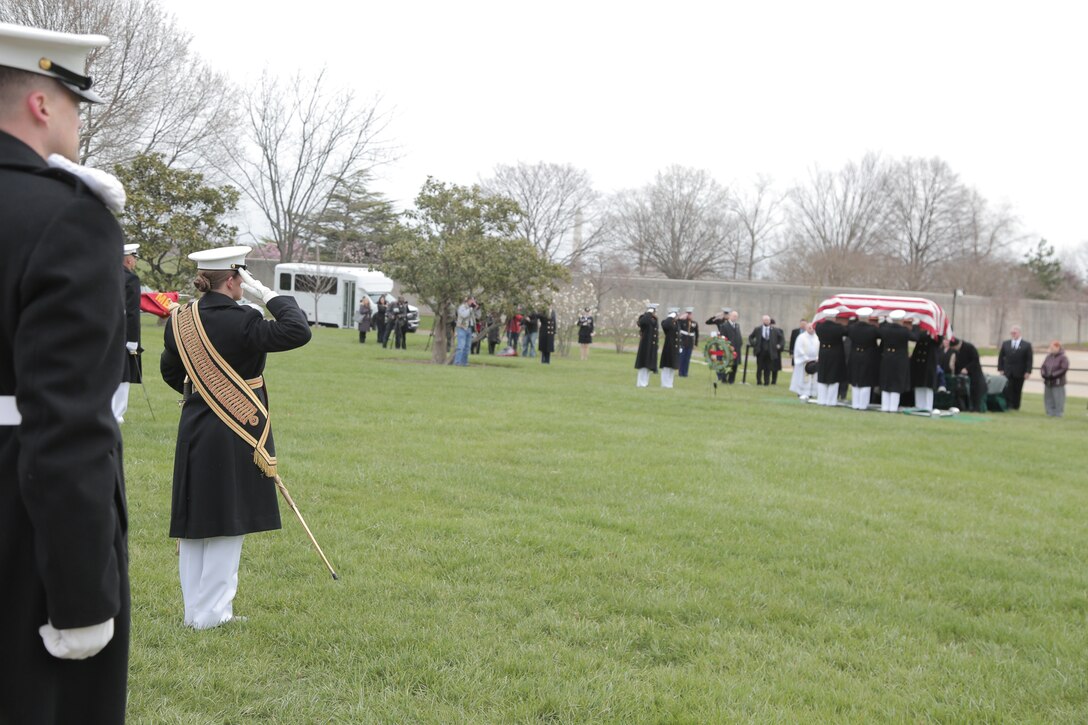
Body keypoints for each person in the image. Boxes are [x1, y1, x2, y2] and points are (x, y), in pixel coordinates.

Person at [0, 23, 130, 724]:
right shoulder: (67, 219)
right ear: (43, 104)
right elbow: (67, 428)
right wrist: (81, 600)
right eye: (76, 99)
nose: (79, 118)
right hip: (17, 530)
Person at [160, 246, 311, 630]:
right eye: (242, 278)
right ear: (232, 279)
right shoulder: (244, 319)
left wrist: (205, 393)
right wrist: (271, 296)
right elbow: (297, 330)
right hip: (235, 428)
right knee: (228, 520)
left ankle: (194, 610)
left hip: (194, 427)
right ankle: (212, 615)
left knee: (194, 521)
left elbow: (170, 371)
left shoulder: (180, 320)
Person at [113, 241, 143, 422]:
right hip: (123, 334)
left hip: (105, 332)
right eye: (134, 258)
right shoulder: (130, 279)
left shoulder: (105, 275)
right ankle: (117, 413)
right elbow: (133, 313)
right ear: (129, 260)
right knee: (123, 373)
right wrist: (133, 340)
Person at [878, 310, 918, 412]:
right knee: (896, 382)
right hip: (900, 359)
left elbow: (879, 331)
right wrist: (916, 325)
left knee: (886, 380)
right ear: (902, 320)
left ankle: (885, 406)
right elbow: (915, 337)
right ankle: (893, 408)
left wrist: (883, 321)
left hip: (887, 358)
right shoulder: (904, 331)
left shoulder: (885, 329)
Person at [845, 308, 881, 410]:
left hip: (855, 355)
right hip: (868, 356)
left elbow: (846, 330)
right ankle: (863, 405)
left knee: (855, 380)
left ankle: (855, 404)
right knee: (866, 381)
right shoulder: (873, 329)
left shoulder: (852, 328)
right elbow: (882, 334)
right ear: (869, 318)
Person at [814, 311, 849, 406]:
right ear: (834, 318)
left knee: (822, 376)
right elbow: (848, 331)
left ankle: (821, 399)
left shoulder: (819, 326)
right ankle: (831, 401)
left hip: (823, 353)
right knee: (833, 377)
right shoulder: (838, 328)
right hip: (835, 355)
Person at [997, 325, 1033, 411]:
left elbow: (1029, 359)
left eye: (1015, 332)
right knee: (1007, 389)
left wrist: (1028, 371)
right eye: (1012, 333)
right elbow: (1001, 357)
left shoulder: (1026, 345)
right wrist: (1000, 369)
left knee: (1017, 389)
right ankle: (1008, 405)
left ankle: (1016, 406)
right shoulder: (1006, 343)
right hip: (1007, 371)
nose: (1013, 334)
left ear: (1019, 333)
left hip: (1020, 371)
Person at [949, 336, 986, 413]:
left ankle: (976, 408)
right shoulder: (956, 350)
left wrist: (967, 368)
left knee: (975, 390)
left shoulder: (969, 347)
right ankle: (963, 407)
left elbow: (975, 360)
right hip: (962, 374)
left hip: (974, 373)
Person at [909, 325, 941, 412]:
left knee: (928, 385)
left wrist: (931, 332)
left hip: (929, 360)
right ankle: (919, 405)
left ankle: (927, 407)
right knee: (918, 384)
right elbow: (915, 337)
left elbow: (938, 341)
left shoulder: (936, 329)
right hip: (918, 360)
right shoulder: (918, 328)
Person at [749, 314, 785, 385]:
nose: (766, 321)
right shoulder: (758, 329)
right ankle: (759, 381)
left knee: (768, 368)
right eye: (765, 320)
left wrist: (779, 345)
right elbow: (751, 337)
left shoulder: (775, 330)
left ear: (769, 321)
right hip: (760, 351)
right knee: (759, 368)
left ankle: (766, 382)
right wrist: (754, 344)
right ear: (763, 321)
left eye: (768, 320)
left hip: (770, 352)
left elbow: (781, 339)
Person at [789, 322, 819, 400]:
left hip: (814, 361)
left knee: (813, 378)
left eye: (813, 328)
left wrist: (817, 357)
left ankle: (811, 393)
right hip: (804, 362)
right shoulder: (801, 337)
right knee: (803, 378)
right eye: (810, 328)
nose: (811, 329)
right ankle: (802, 392)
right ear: (806, 328)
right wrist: (805, 358)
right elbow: (798, 349)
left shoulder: (817, 337)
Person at [1039, 340, 1069, 417]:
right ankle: (1049, 413)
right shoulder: (1048, 357)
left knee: (1058, 399)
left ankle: (1058, 414)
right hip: (1048, 381)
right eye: (1050, 347)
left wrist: (1053, 375)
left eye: (1052, 348)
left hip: (1058, 382)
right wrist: (1043, 374)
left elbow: (1063, 369)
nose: (1050, 349)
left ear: (1057, 347)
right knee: (1048, 398)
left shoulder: (1063, 358)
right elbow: (1043, 367)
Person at [634, 303, 659, 387]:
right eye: (653, 310)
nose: (654, 312)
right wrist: (648, 313)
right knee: (643, 365)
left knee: (648, 365)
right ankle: (641, 383)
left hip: (652, 345)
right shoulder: (644, 317)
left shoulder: (654, 319)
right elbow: (642, 323)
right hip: (645, 345)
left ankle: (645, 382)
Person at [659, 307, 681, 388]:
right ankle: (664, 384)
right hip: (668, 347)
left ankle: (670, 384)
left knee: (672, 367)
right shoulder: (666, 322)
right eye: (675, 314)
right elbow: (665, 325)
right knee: (666, 367)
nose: (676, 316)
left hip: (675, 348)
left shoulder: (676, 323)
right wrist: (670, 316)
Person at [454, 295, 476, 366]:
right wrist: (471, 309)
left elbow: (474, 318)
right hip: (462, 328)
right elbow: (464, 315)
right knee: (461, 346)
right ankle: (457, 362)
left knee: (467, 347)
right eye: (472, 300)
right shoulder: (462, 307)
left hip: (469, 329)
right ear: (468, 300)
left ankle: (464, 363)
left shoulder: (471, 308)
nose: (473, 302)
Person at [677, 307, 699, 377]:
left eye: (690, 314)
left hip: (690, 344)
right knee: (682, 358)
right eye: (688, 313)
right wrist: (680, 318)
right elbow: (676, 323)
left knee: (687, 359)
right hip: (682, 343)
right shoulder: (682, 322)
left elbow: (697, 334)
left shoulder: (694, 323)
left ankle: (685, 373)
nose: (689, 315)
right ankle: (680, 372)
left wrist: (695, 344)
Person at [723, 309, 744, 383]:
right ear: (730, 316)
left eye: (736, 316)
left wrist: (740, 343)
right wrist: (727, 347)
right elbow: (723, 338)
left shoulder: (737, 325)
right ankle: (724, 379)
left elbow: (739, 336)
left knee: (735, 365)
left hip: (737, 349)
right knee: (728, 364)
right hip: (728, 349)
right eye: (734, 316)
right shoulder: (725, 325)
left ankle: (731, 380)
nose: (735, 318)